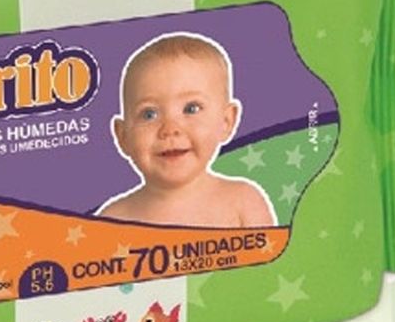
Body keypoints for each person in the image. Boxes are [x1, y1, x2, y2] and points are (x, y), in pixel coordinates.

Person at [99, 33, 276, 227]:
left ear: (226, 121)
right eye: (149, 114)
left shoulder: (243, 203)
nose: (170, 129)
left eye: (191, 109)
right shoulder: (111, 221)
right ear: (123, 136)